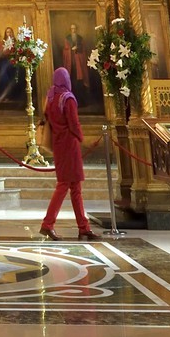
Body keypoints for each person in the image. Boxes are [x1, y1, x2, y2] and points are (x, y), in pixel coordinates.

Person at [38, 66, 95, 240]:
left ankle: (83, 226)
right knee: (65, 185)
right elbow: (74, 123)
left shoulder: (50, 97)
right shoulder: (67, 98)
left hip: (58, 144)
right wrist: (82, 138)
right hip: (70, 145)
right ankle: (47, 224)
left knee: (74, 186)